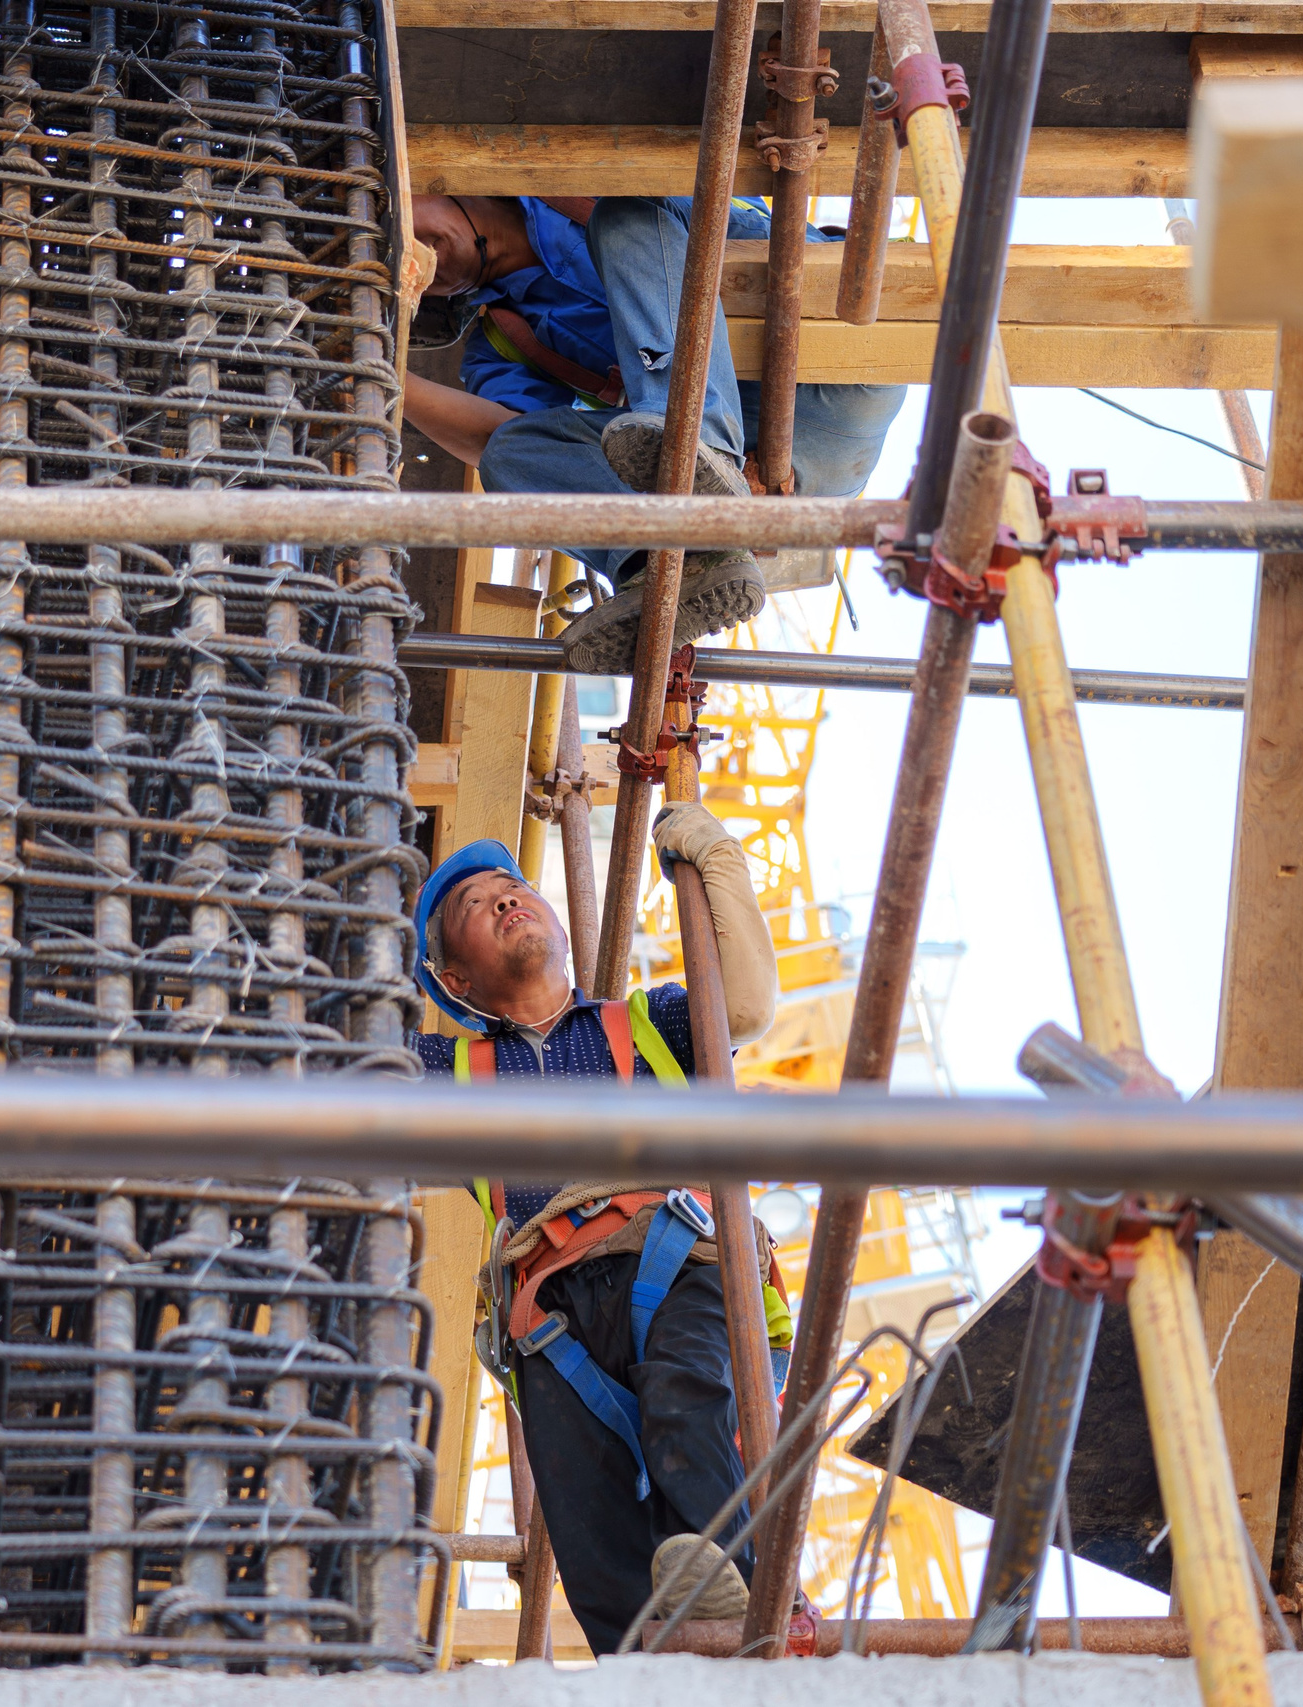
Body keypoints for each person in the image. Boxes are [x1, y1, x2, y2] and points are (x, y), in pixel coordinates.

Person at [408, 806, 791, 1654]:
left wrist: (715, 860)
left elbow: (750, 1002)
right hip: (548, 1314)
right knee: (583, 1512)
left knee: (688, 1403)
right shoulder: (453, 1075)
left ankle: (743, 1612)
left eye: (513, 888)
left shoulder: (648, 1024)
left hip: (674, 1254)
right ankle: (648, 1662)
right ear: (453, 981)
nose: (507, 900)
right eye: (478, 903)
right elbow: (343, 1063)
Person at [402, 194, 906, 674]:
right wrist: (385, 374)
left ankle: (699, 454)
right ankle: (666, 562)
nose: (405, 247)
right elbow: (502, 445)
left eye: (398, 223)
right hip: (766, 472)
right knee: (510, 454)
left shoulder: (559, 177)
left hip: (838, 377)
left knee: (628, 211)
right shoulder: (500, 345)